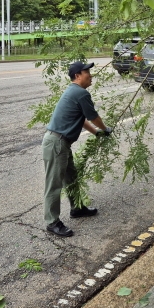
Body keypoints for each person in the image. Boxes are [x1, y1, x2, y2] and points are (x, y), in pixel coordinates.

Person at [42, 61, 113, 237]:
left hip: (61, 143)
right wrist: (105, 129)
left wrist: (96, 133)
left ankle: (77, 208)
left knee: (71, 177)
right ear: (77, 76)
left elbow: (81, 119)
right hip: (56, 143)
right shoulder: (80, 93)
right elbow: (93, 116)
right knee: (54, 184)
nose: (90, 75)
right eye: (87, 72)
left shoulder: (73, 92)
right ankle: (52, 222)